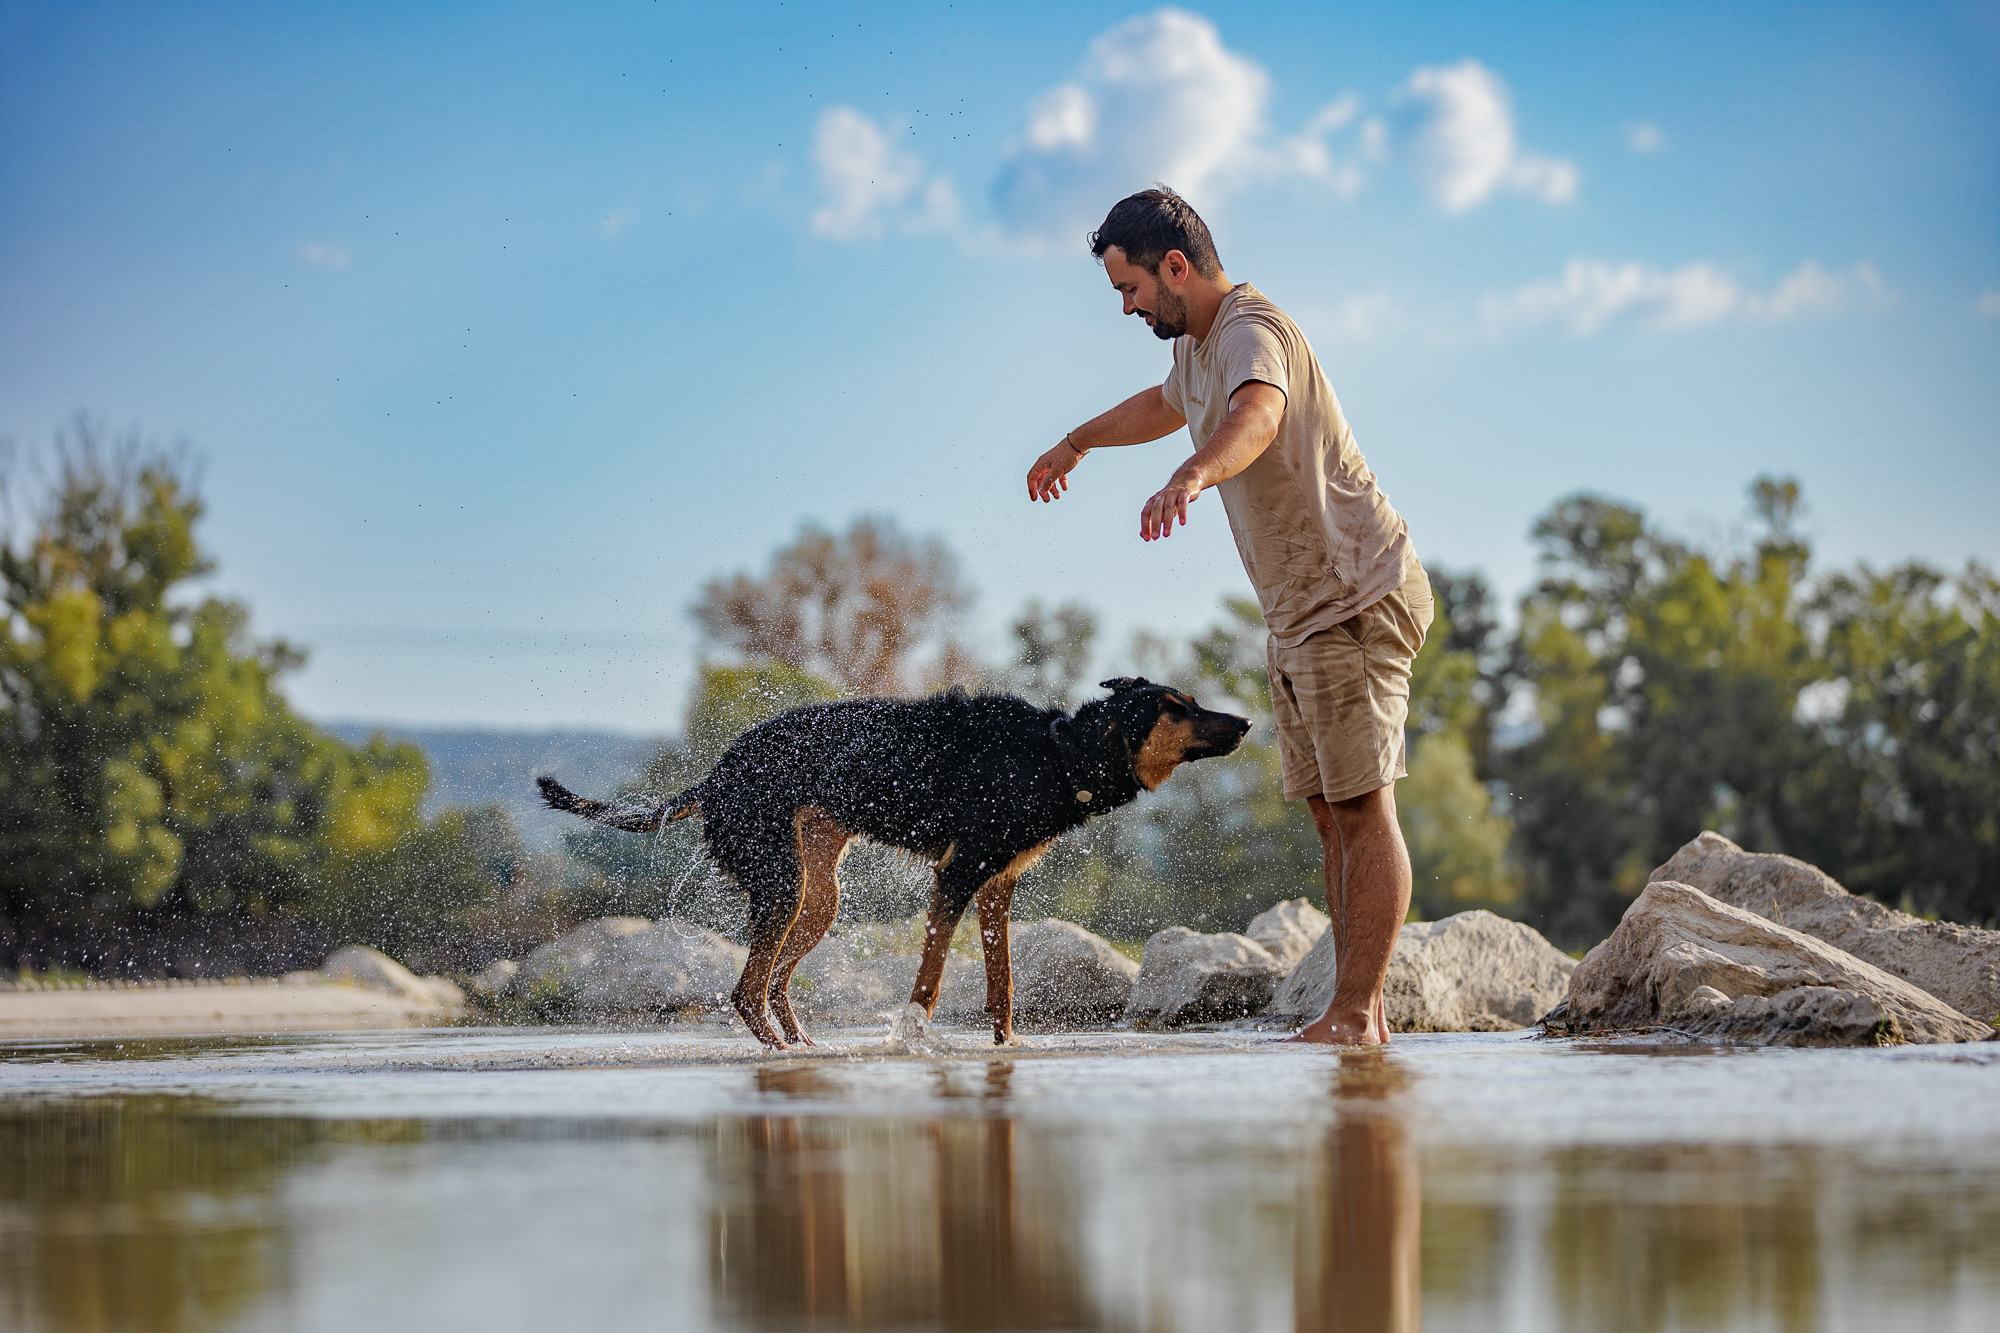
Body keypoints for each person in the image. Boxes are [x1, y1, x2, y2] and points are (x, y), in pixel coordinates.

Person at [1026, 188, 1433, 1045]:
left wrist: (1193, 475)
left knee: (1364, 810)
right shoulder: (1198, 351)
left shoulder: (1252, 332)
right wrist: (1076, 442)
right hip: (1300, 615)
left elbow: (1259, 413)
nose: (1128, 307)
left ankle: (1355, 1013)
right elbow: (1163, 404)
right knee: (1330, 812)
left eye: (1130, 289)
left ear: (1175, 267)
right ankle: (1362, 1011)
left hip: (1354, 595)